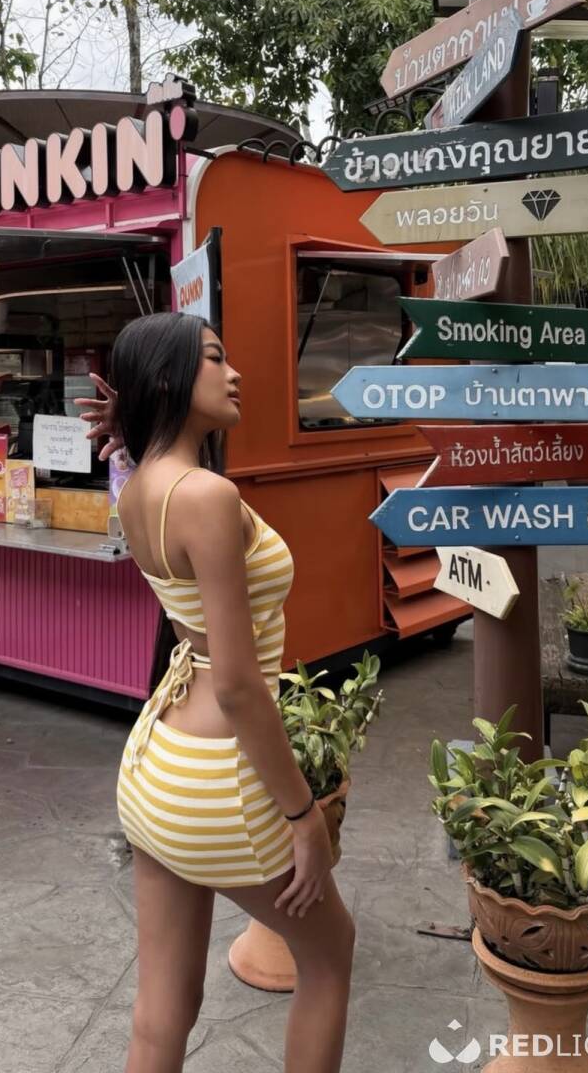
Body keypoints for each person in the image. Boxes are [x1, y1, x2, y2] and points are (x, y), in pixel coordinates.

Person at [76, 313, 354, 1073]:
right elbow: (237, 685)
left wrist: (135, 421)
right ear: (169, 380)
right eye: (213, 359)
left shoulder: (138, 490)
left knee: (162, 1009)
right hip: (217, 777)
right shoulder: (205, 495)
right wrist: (303, 815)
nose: (234, 374)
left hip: (156, 765)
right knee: (330, 956)